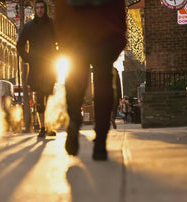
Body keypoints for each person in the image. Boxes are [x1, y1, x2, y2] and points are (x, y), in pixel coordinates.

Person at [54, 0, 127, 160]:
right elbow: (118, 7)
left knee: (75, 81)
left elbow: (60, 6)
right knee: (103, 86)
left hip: (75, 36)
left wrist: (62, 39)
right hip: (104, 35)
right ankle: (100, 141)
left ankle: (74, 118)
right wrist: (119, 38)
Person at [16, 0, 57, 139]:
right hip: (36, 66)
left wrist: (58, 55)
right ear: (35, 9)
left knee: (49, 96)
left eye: (41, 8)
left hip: (50, 65)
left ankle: (50, 126)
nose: (39, 10)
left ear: (45, 9)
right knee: (40, 98)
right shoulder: (29, 26)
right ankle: (43, 128)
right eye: (37, 7)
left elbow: (62, 41)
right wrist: (28, 58)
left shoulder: (52, 24)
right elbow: (19, 45)